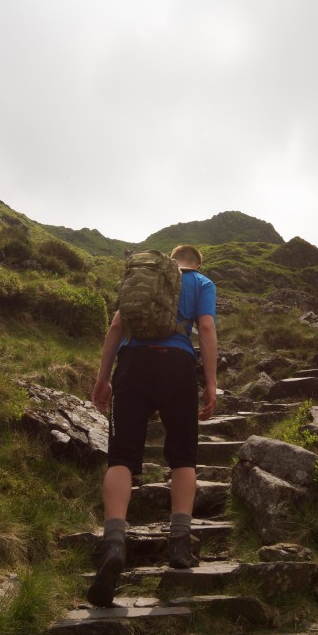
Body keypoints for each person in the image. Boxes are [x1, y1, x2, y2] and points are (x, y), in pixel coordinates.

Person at [87, 244, 218, 608]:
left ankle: (114, 543)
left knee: (122, 458)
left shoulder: (141, 278)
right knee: (182, 458)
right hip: (176, 366)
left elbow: (116, 325)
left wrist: (103, 379)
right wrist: (210, 382)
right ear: (196, 261)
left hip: (133, 365)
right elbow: (205, 328)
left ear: (170, 259)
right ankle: (179, 543)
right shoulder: (203, 283)